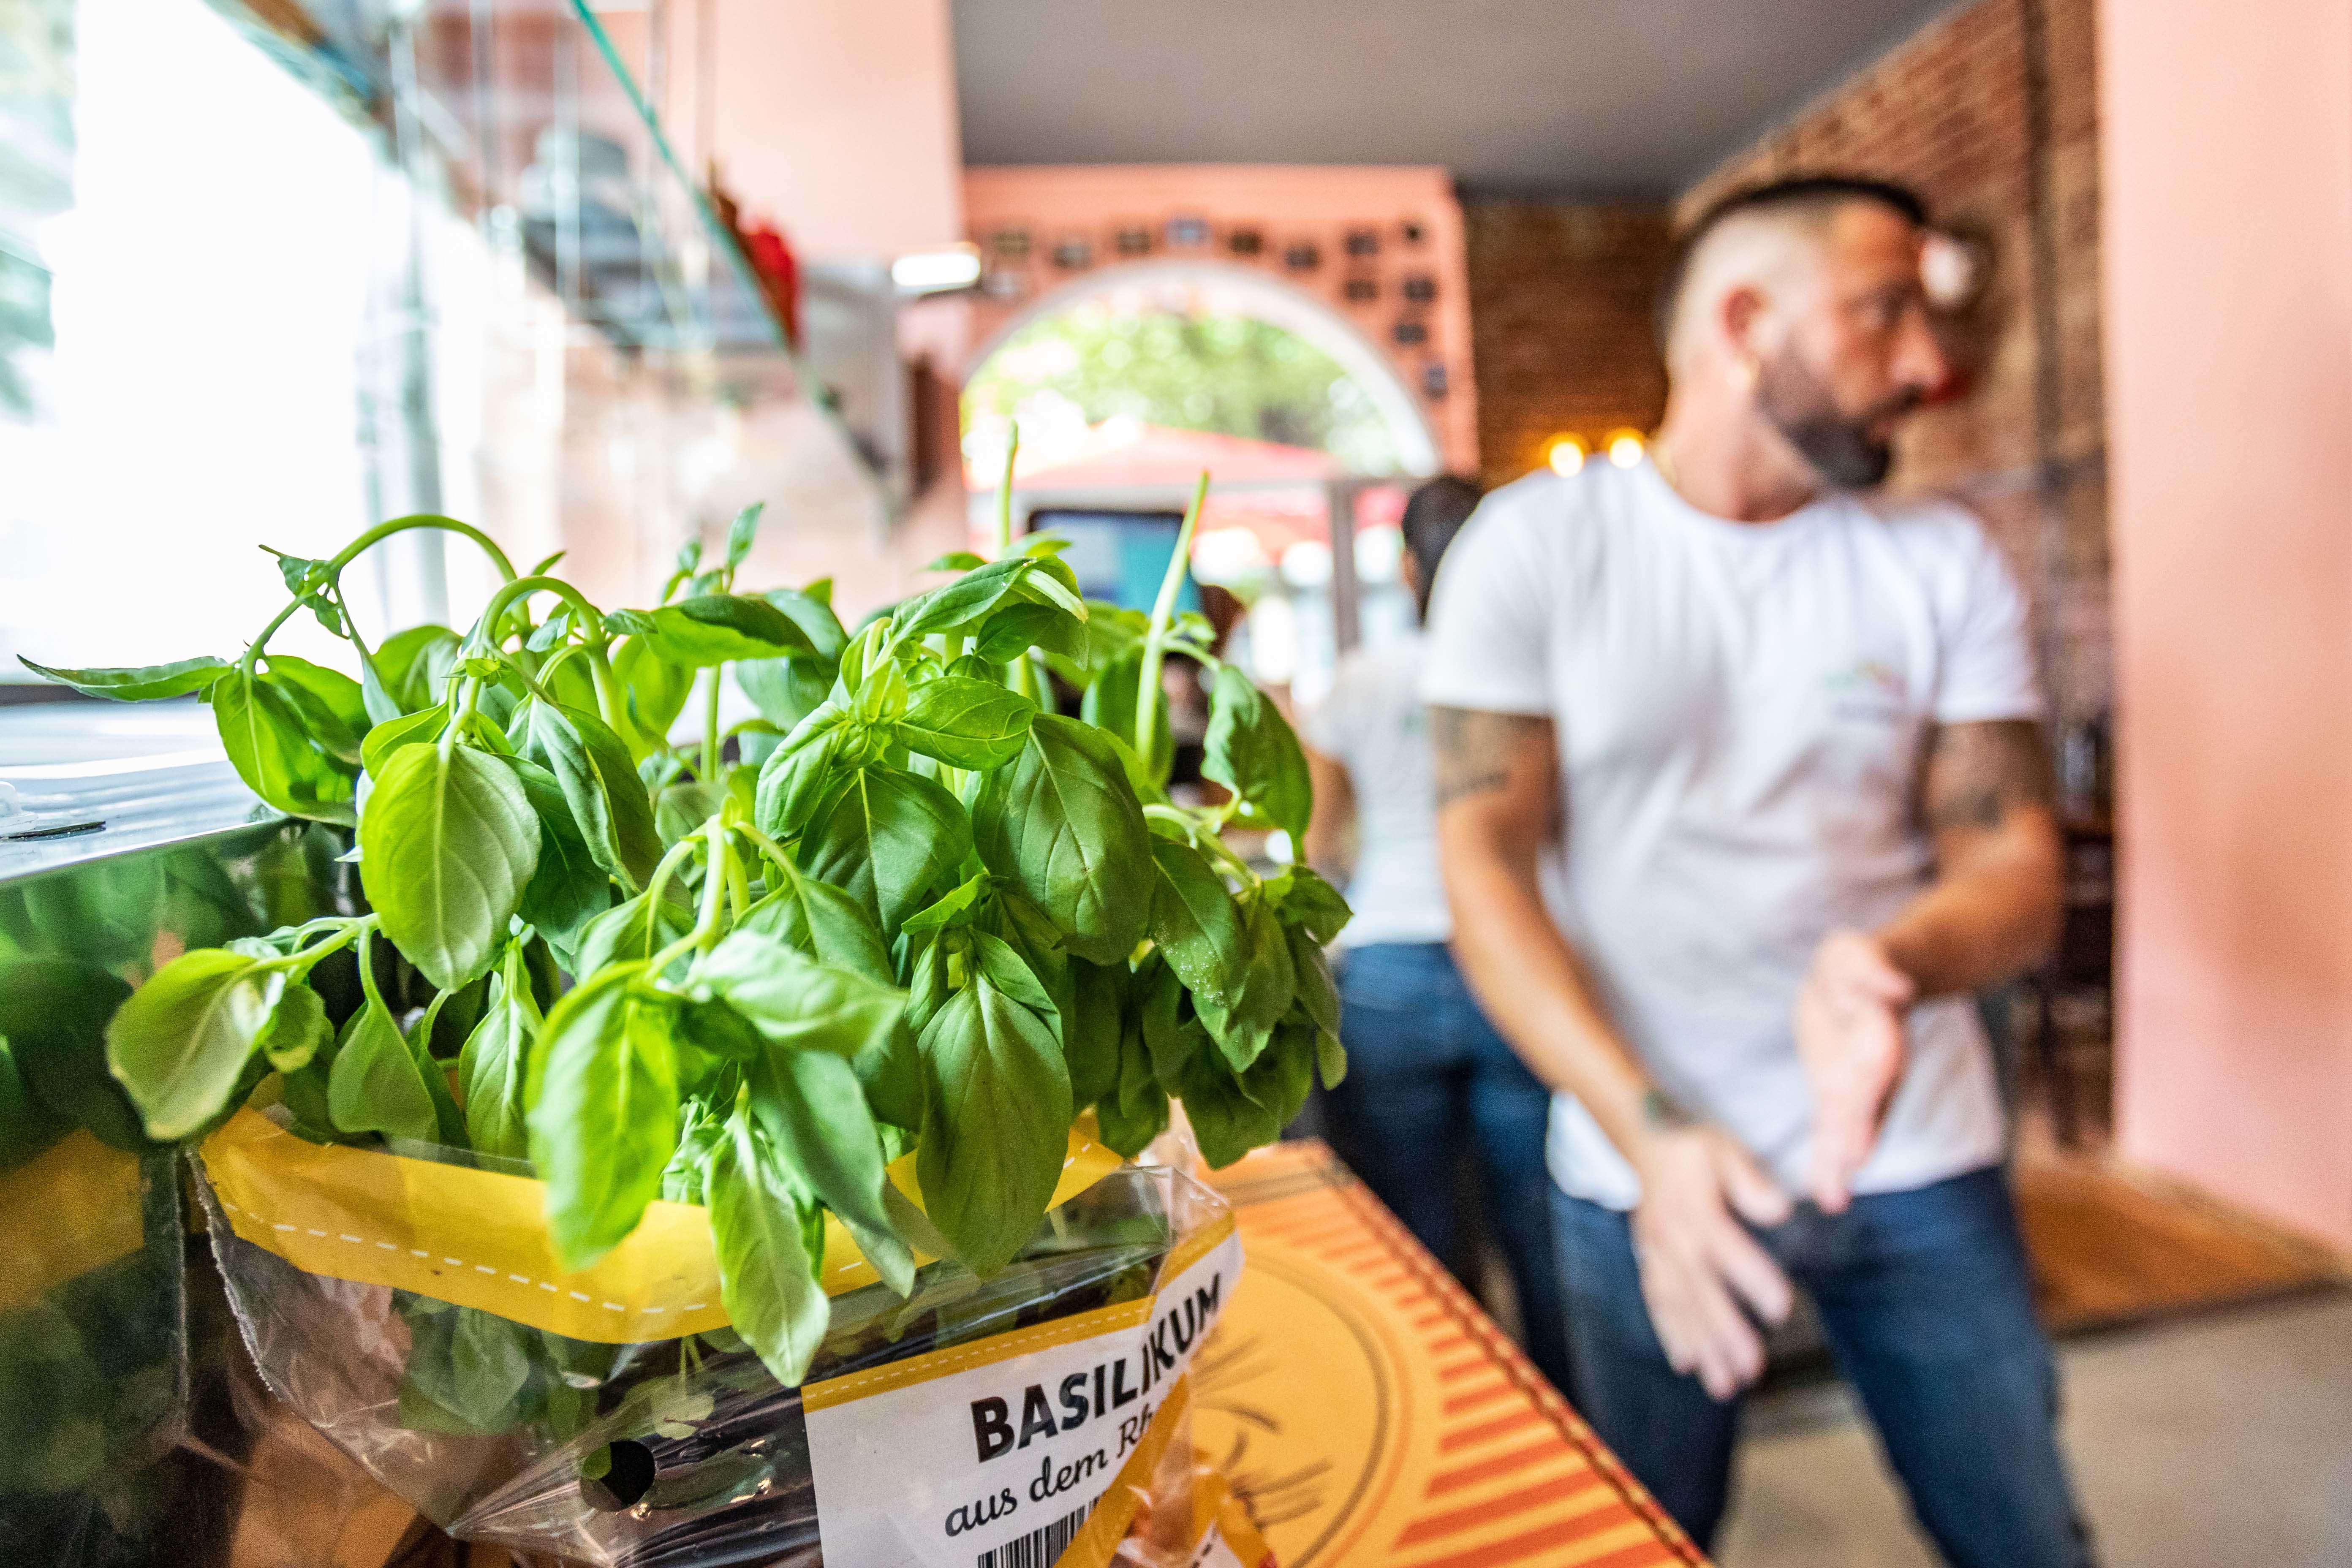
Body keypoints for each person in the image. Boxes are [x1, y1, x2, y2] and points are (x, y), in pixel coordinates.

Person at [1422, 175, 2094, 1568]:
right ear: (1742, 320)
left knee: (2024, 1531)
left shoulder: (1941, 559)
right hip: (1644, 1161)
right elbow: (1482, 857)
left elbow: (2016, 863)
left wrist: (1890, 960)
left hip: (1915, 1147)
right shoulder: (1541, 546)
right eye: (1883, 310)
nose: (1928, 363)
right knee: (1647, 1536)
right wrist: (1649, 1127)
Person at [1297, 476, 1574, 1400]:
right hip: (1510, 969)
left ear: (1408, 565)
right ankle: (1569, 1422)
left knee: (1420, 1240)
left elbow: (1320, 848)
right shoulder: (1538, 673)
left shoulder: (1355, 682)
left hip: (1386, 980)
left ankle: (1463, 1422)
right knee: (1539, 1230)